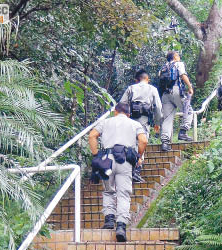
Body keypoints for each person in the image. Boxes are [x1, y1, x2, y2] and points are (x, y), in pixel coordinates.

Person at [88, 102, 147, 242]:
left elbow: (92, 136)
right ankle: (121, 226)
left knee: (108, 191)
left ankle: (109, 220)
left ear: (115, 111)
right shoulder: (134, 124)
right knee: (123, 194)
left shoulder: (106, 122)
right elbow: (143, 140)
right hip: (125, 161)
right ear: (128, 113)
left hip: (107, 160)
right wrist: (138, 156)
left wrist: (96, 154)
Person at [120, 69, 163, 182]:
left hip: (130, 120)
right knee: (141, 143)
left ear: (136, 80)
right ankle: (136, 170)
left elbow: (121, 104)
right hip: (144, 120)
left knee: (131, 144)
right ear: (147, 79)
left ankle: (130, 170)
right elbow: (158, 107)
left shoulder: (131, 88)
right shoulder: (152, 89)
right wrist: (157, 122)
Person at [159, 51, 194, 151]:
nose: (179, 57)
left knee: (167, 118)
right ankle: (183, 132)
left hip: (165, 94)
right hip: (176, 90)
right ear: (174, 56)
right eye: (178, 55)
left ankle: (165, 143)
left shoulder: (163, 68)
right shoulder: (179, 64)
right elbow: (182, 75)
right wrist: (190, 87)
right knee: (188, 110)